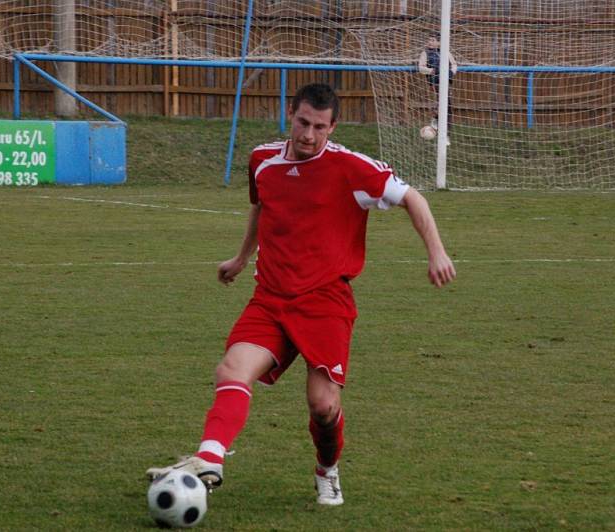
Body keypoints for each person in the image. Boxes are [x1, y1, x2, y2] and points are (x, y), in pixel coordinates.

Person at [146, 83, 457, 506]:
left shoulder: (351, 167)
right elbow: (261, 207)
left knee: (323, 406)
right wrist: (241, 259)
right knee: (232, 370)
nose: (309, 135)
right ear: (290, 116)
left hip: (325, 300)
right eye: (302, 123)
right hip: (271, 297)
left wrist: (436, 252)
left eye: (319, 127)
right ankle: (209, 458)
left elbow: (413, 199)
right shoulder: (262, 161)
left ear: (333, 127)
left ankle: (327, 469)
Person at [417, 33, 458, 143]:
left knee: (447, 106)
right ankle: (443, 132)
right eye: (429, 40)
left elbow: (454, 64)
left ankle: (438, 123)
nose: (430, 42)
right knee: (445, 104)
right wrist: (432, 71)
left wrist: (451, 72)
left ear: (439, 42)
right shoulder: (425, 53)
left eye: (433, 40)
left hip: (446, 81)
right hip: (435, 81)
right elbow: (421, 68)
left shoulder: (446, 52)